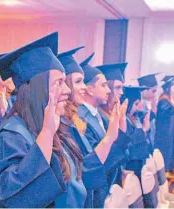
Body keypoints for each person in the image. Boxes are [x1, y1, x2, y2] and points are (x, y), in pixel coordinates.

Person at [0, 32, 94, 208]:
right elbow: (10, 200)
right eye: (58, 83)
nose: (67, 90)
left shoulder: (54, 128)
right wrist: (46, 135)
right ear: (37, 88)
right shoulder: (10, 137)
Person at [57, 48, 125, 208]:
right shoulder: (62, 125)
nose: (84, 87)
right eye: (78, 81)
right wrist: (110, 137)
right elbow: (83, 169)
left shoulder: (72, 121)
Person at [77, 53, 130, 207]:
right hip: (94, 191)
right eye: (104, 85)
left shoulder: (100, 115)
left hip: (108, 184)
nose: (109, 90)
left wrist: (122, 121)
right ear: (90, 90)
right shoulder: (81, 118)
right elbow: (93, 161)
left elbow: (120, 148)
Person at [122, 86, 152, 178]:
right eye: (135, 104)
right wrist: (143, 130)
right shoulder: (123, 120)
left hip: (139, 162)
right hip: (131, 164)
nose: (137, 108)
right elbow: (129, 142)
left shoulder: (135, 118)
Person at [154, 77, 174, 173]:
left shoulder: (168, 100)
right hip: (164, 137)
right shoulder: (164, 101)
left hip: (168, 136)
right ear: (168, 88)